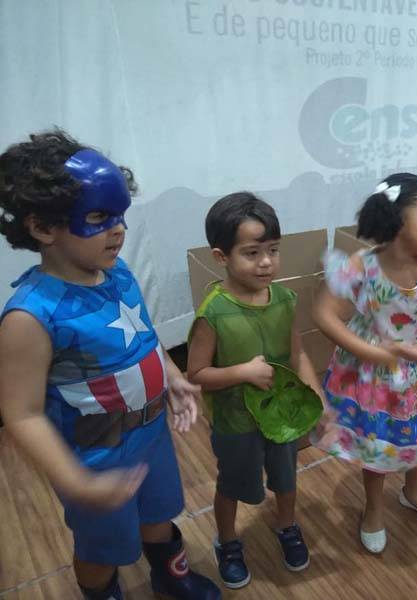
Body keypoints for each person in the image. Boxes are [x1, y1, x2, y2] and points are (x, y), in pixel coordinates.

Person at [0, 130, 219, 599]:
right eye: (98, 217)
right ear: (43, 227)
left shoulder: (117, 272)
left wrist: (174, 377)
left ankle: (170, 575)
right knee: (102, 548)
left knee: (159, 514)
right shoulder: (30, 316)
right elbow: (21, 414)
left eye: (120, 215)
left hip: (152, 434)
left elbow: (145, 336)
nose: (118, 230)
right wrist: (76, 482)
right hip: (95, 456)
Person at [311, 173, 417, 554]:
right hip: (373, 377)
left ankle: (413, 491)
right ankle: (374, 507)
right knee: (379, 443)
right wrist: (371, 353)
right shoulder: (363, 265)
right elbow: (325, 314)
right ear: (398, 220)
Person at [186, 192, 321, 588]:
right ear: (221, 256)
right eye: (252, 252)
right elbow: (196, 374)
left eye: (273, 250)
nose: (266, 262)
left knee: (286, 476)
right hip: (236, 422)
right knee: (233, 483)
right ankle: (228, 542)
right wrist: (242, 372)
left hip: (282, 416)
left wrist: (318, 398)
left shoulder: (285, 299)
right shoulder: (213, 312)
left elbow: (297, 354)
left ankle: (287, 525)